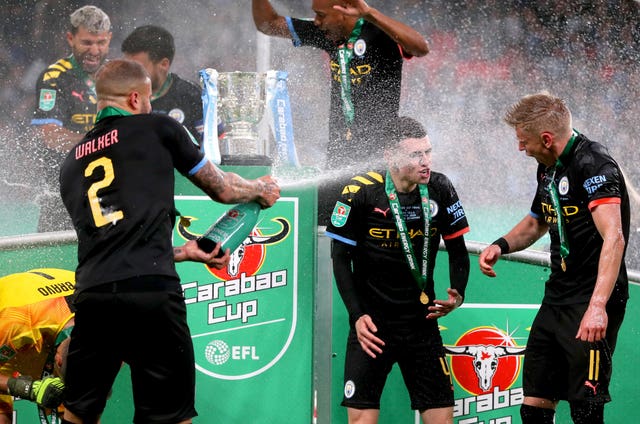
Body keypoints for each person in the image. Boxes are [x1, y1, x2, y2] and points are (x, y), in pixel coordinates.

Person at [58, 59, 280, 424]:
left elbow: (113, 244)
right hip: (150, 294)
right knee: (169, 416)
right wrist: (259, 189)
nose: (148, 106)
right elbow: (222, 189)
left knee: (79, 413)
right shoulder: (158, 126)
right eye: (146, 100)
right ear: (134, 99)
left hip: (94, 298)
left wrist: (182, 252)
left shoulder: (71, 163)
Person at [478, 92, 629, 424]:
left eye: (524, 141)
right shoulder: (547, 168)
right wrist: (500, 245)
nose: (521, 148)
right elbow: (537, 221)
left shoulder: (594, 165)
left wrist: (597, 306)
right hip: (558, 296)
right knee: (534, 406)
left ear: (546, 139)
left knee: (585, 409)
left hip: (591, 300)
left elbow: (614, 238)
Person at [325, 116, 470, 424]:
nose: (426, 161)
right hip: (373, 327)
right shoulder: (360, 191)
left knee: (442, 418)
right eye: (416, 155)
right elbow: (339, 258)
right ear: (391, 156)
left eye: (428, 152)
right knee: (361, 419)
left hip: (422, 323)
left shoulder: (440, 187)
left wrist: (458, 292)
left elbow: (458, 250)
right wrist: (356, 315)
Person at [252, 0, 429, 223]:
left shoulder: (380, 33)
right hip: (338, 159)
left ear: (343, 10)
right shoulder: (327, 33)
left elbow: (421, 48)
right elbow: (268, 25)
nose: (316, 21)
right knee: (325, 231)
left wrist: (370, 13)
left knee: (373, 235)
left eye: (320, 15)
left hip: (379, 161)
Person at [31, 5, 113, 233]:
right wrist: (104, 141)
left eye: (101, 43)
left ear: (109, 39)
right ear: (70, 38)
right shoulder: (54, 77)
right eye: (87, 43)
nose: (95, 50)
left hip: (110, 194)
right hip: (63, 195)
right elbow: (50, 137)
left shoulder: (118, 76)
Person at [0, 268, 75, 424]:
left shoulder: (117, 321)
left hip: (47, 321)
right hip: (17, 320)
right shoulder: (14, 324)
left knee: (77, 407)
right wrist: (27, 389)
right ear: (58, 360)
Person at [121, 25, 204, 142]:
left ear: (163, 64)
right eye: (126, 66)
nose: (130, 73)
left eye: (137, 68)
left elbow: (214, 145)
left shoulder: (191, 95)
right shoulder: (118, 97)